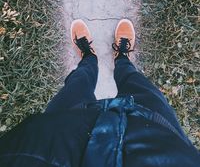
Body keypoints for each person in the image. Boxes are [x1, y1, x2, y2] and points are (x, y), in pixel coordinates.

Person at [0, 19, 199, 167]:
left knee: (78, 83)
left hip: (57, 140)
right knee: (136, 83)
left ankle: (88, 58)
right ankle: (121, 58)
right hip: (157, 140)